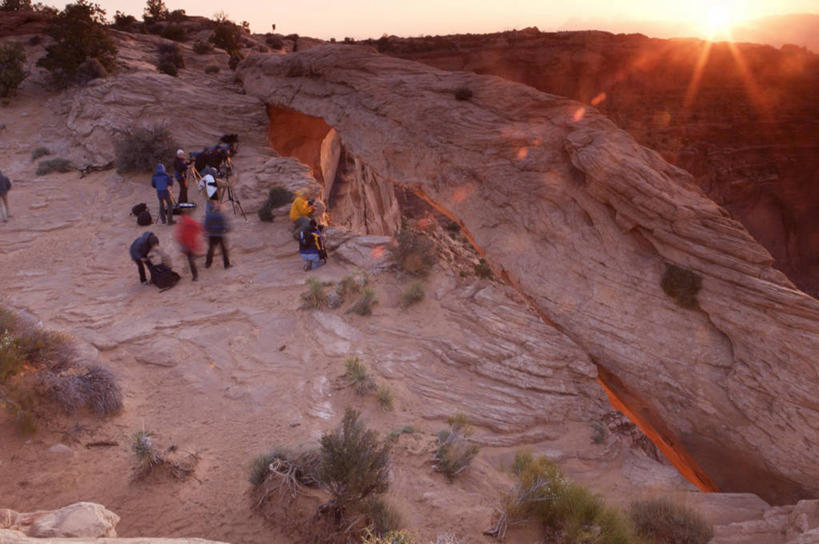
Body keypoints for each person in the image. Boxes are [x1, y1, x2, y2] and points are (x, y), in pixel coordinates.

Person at [174, 209, 203, 281]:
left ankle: (193, 274)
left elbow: (178, 234)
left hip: (184, 244)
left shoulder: (181, 221)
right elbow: (199, 227)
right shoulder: (189, 220)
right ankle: (195, 276)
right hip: (190, 243)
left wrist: (180, 241)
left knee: (189, 258)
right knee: (190, 259)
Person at [204, 201, 231, 269]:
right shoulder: (220, 215)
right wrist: (225, 230)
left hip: (211, 235)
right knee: (223, 250)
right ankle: (226, 265)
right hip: (219, 235)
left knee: (210, 250)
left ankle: (208, 264)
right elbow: (225, 225)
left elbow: (206, 226)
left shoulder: (208, 216)